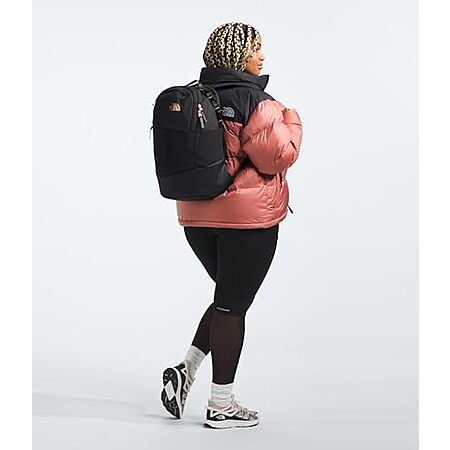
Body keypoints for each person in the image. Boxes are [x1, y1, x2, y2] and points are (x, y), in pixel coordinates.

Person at [160, 22, 303, 429]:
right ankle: (221, 404)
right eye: (256, 49)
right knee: (233, 304)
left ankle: (186, 369)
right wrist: (292, 120)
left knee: (228, 298)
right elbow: (278, 157)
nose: (262, 56)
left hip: (194, 217)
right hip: (247, 221)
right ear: (239, 56)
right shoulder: (256, 100)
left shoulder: (194, 94)